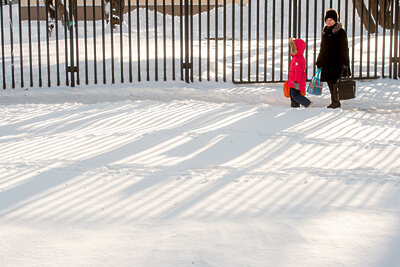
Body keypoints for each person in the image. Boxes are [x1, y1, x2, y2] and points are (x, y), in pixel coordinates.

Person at [316, 9, 351, 109]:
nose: (329, 21)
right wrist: (319, 60)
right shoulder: (325, 31)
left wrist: (345, 62)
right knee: (330, 83)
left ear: (335, 20)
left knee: (334, 83)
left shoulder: (340, 32)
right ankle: (335, 101)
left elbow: (344, 48)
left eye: (331, 20)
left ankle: (336, 101)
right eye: (327, 19)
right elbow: (323, 48)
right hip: (327, 62)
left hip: (337, 62)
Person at [288, 38, 312, 108]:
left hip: (296, 81)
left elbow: (298, 72)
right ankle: (294, 105)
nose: (291, 49)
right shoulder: (296, 57)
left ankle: (307, 103)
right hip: (293, 80)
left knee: (295, 94)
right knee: (292, 93)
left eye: (293, 48)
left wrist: (296, 81)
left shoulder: (298, 59)